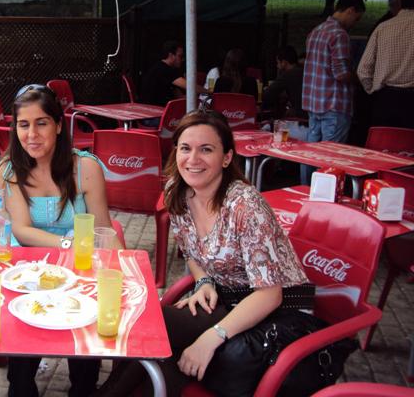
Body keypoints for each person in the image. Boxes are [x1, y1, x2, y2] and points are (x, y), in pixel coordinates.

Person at [93, 110, 308, 396]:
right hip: (227, 299)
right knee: (145, 328)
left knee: (165, 351)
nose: (193, 159)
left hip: (278, 311)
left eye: (206, 149)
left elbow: (271, 295)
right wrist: (204, 281)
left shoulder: (245, 206)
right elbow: (192, 253)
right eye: (185, 148)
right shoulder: (177, 192)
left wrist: (211, 337)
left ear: (227, 157)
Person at [0, 83, 121, 397]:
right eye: (23, 125)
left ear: (58, 125)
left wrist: (125, 272)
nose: (32, 134)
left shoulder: (86, 168)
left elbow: (103, 228)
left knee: (88, 325)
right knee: (21, 375)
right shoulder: (9, 169)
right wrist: (69, 244)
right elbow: (22, 230)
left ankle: (83, 386)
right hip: (25, 269)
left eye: (41, 123)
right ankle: (21, 384)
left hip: (79, 267)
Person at [301, 0, 365, 182]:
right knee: (330, 157)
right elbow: (341, 73)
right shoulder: (340, 35)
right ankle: (325, 194)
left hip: (313, 103)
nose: (355, 23)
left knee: (310, 154)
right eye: (357, 18)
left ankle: (305, 190)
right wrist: (360, 80)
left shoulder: (315, 31)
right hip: (334, 105)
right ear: (350, 10)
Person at [357, 0, 414, 129]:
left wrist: (374, 91)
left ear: (401, 1)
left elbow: (363, 70)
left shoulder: (383, 28)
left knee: (384, 140)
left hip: (384, 100)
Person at [140, 41, 203, 109]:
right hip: (155, 111)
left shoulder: (161, 68)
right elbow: (190, 87)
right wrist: (209, 92)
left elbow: (179, 96)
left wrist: (199, 98)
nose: (183, 59)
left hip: (154, 109)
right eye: (180, 56)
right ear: (171, 55)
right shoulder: (165, 70)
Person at [262, 45, 306, 119]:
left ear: (284, 62)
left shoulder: (288, 74)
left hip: (300, 117)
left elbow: (268, 94)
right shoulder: (303, 71)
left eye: (277, 62)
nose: (277, 66)